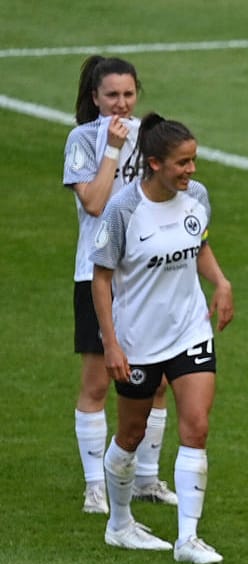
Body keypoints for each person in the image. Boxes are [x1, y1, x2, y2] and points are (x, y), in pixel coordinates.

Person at [91, 113, 234, 564]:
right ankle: (120, 525)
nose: (191, 171)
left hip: (190, 329)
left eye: (194, 161)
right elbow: (100, 278)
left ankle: (187, 539)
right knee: (131, 433)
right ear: (154, 163)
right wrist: (111, 344)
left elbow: (199, 244)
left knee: (197, 425)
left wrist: (222, 283)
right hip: (138, 340)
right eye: (182, 163)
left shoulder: (197, 198)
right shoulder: (123, 211)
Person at [64, 55, 174, 513]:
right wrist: (112, 148)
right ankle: (95, 486)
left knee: (158, 381)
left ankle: (146, 478)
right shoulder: (83, 140)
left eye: (128, 95)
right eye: (112, 95)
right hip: (98, 277)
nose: (121, 104)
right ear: (95, 97)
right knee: (96, 383)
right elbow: (93, 202)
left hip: (144, 277)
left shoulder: (147, 137)